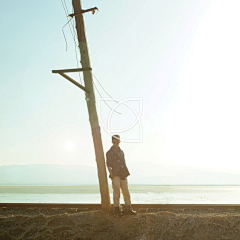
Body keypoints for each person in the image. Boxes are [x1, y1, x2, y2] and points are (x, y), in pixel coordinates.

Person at [106, 135, 137, 215]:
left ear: (119, 142)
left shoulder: (121, 151)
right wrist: (111, 174)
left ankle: (128, 208)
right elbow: (108, 164)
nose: (116, 143)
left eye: (118, 142)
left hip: (123, 174)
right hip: (115, 174)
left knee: (126, 191)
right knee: (117, 192)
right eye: (115, 142)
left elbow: (124, 162)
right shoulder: (109, 153)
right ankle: (117, 209)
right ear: (112, 142)